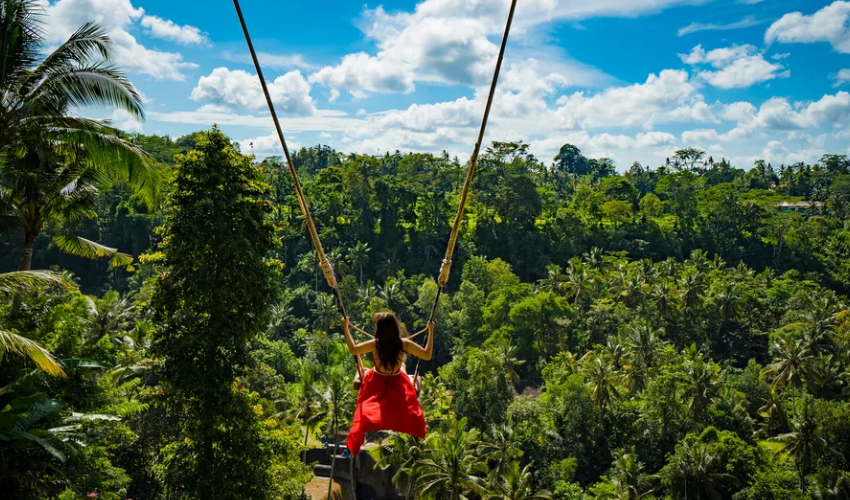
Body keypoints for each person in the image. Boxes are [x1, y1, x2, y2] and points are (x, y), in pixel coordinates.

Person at [343, 312, 434, 456]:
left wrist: (346, 328)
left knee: (365, 402)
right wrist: (431, 332)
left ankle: (398, 365)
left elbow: (353, 349)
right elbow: (427, 355)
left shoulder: (375, 344)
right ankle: (400, 363)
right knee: (401, 366)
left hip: (376, 380)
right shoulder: (404, 344)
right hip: (397, 380)